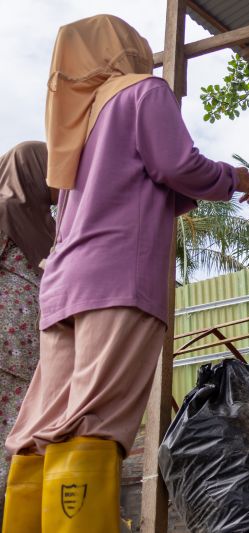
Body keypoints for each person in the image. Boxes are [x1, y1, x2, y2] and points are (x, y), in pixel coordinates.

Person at [2, 15, 249, 533]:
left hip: (63, 285)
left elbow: (131, 187)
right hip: (117, 280)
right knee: (95, 421)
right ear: (127, 49)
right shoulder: (143, 92)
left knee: (41, 429)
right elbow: (177, 166)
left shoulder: (77, 123)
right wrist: (233, 178)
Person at [0, 141, 57, 524]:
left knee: (20, 436)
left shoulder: (47, 224)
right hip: (12, 352)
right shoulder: (8, 211)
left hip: (30, 355)